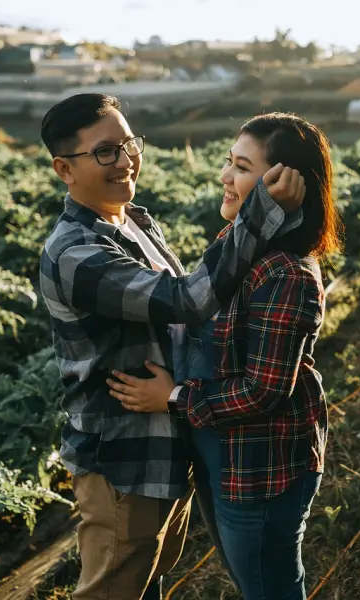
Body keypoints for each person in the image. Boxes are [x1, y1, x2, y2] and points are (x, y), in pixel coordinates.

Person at [38, 95, 306, 600]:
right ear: (64, 169)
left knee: (148, 580)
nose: (124, 160)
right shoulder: (76, 252)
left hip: (161, 445)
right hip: (123, 460)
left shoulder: (130, 220)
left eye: (127, 144)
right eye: (104, 153)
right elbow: (189, 300)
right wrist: (263, 210)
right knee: (112, 589)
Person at [106, 112, 343, 600]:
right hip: (224, 457)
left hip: (262, 465)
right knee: (253, 579)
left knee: (270, 587)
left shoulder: (284, 274)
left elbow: (263, 391)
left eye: (241, 167)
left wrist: (170, 396)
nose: (224, 177)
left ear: (282, 181)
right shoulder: (240, 246)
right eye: (228, 162)